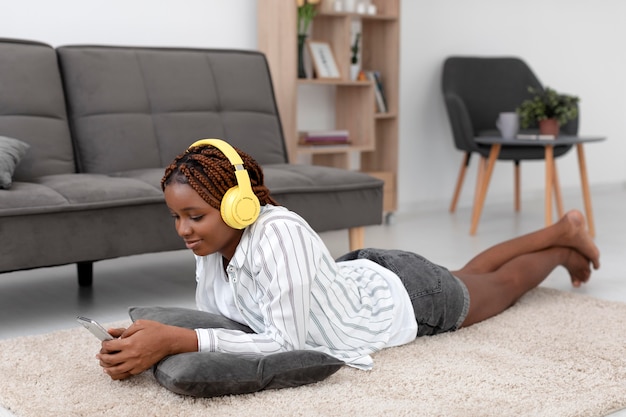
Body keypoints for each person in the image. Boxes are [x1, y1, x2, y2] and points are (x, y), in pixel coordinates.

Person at [97, 139, 600, 381]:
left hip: (406, 297)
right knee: (470, 274)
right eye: (176, 217)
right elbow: (231, 320)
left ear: (238, 204)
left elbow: (285, 344)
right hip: (366, 275)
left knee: (502, 287)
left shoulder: (279, 235)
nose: (183, 230)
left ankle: (560, 247)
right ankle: (563, 229)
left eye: (195, 216)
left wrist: (179, 338)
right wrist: (154, 339)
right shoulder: (214, 246)